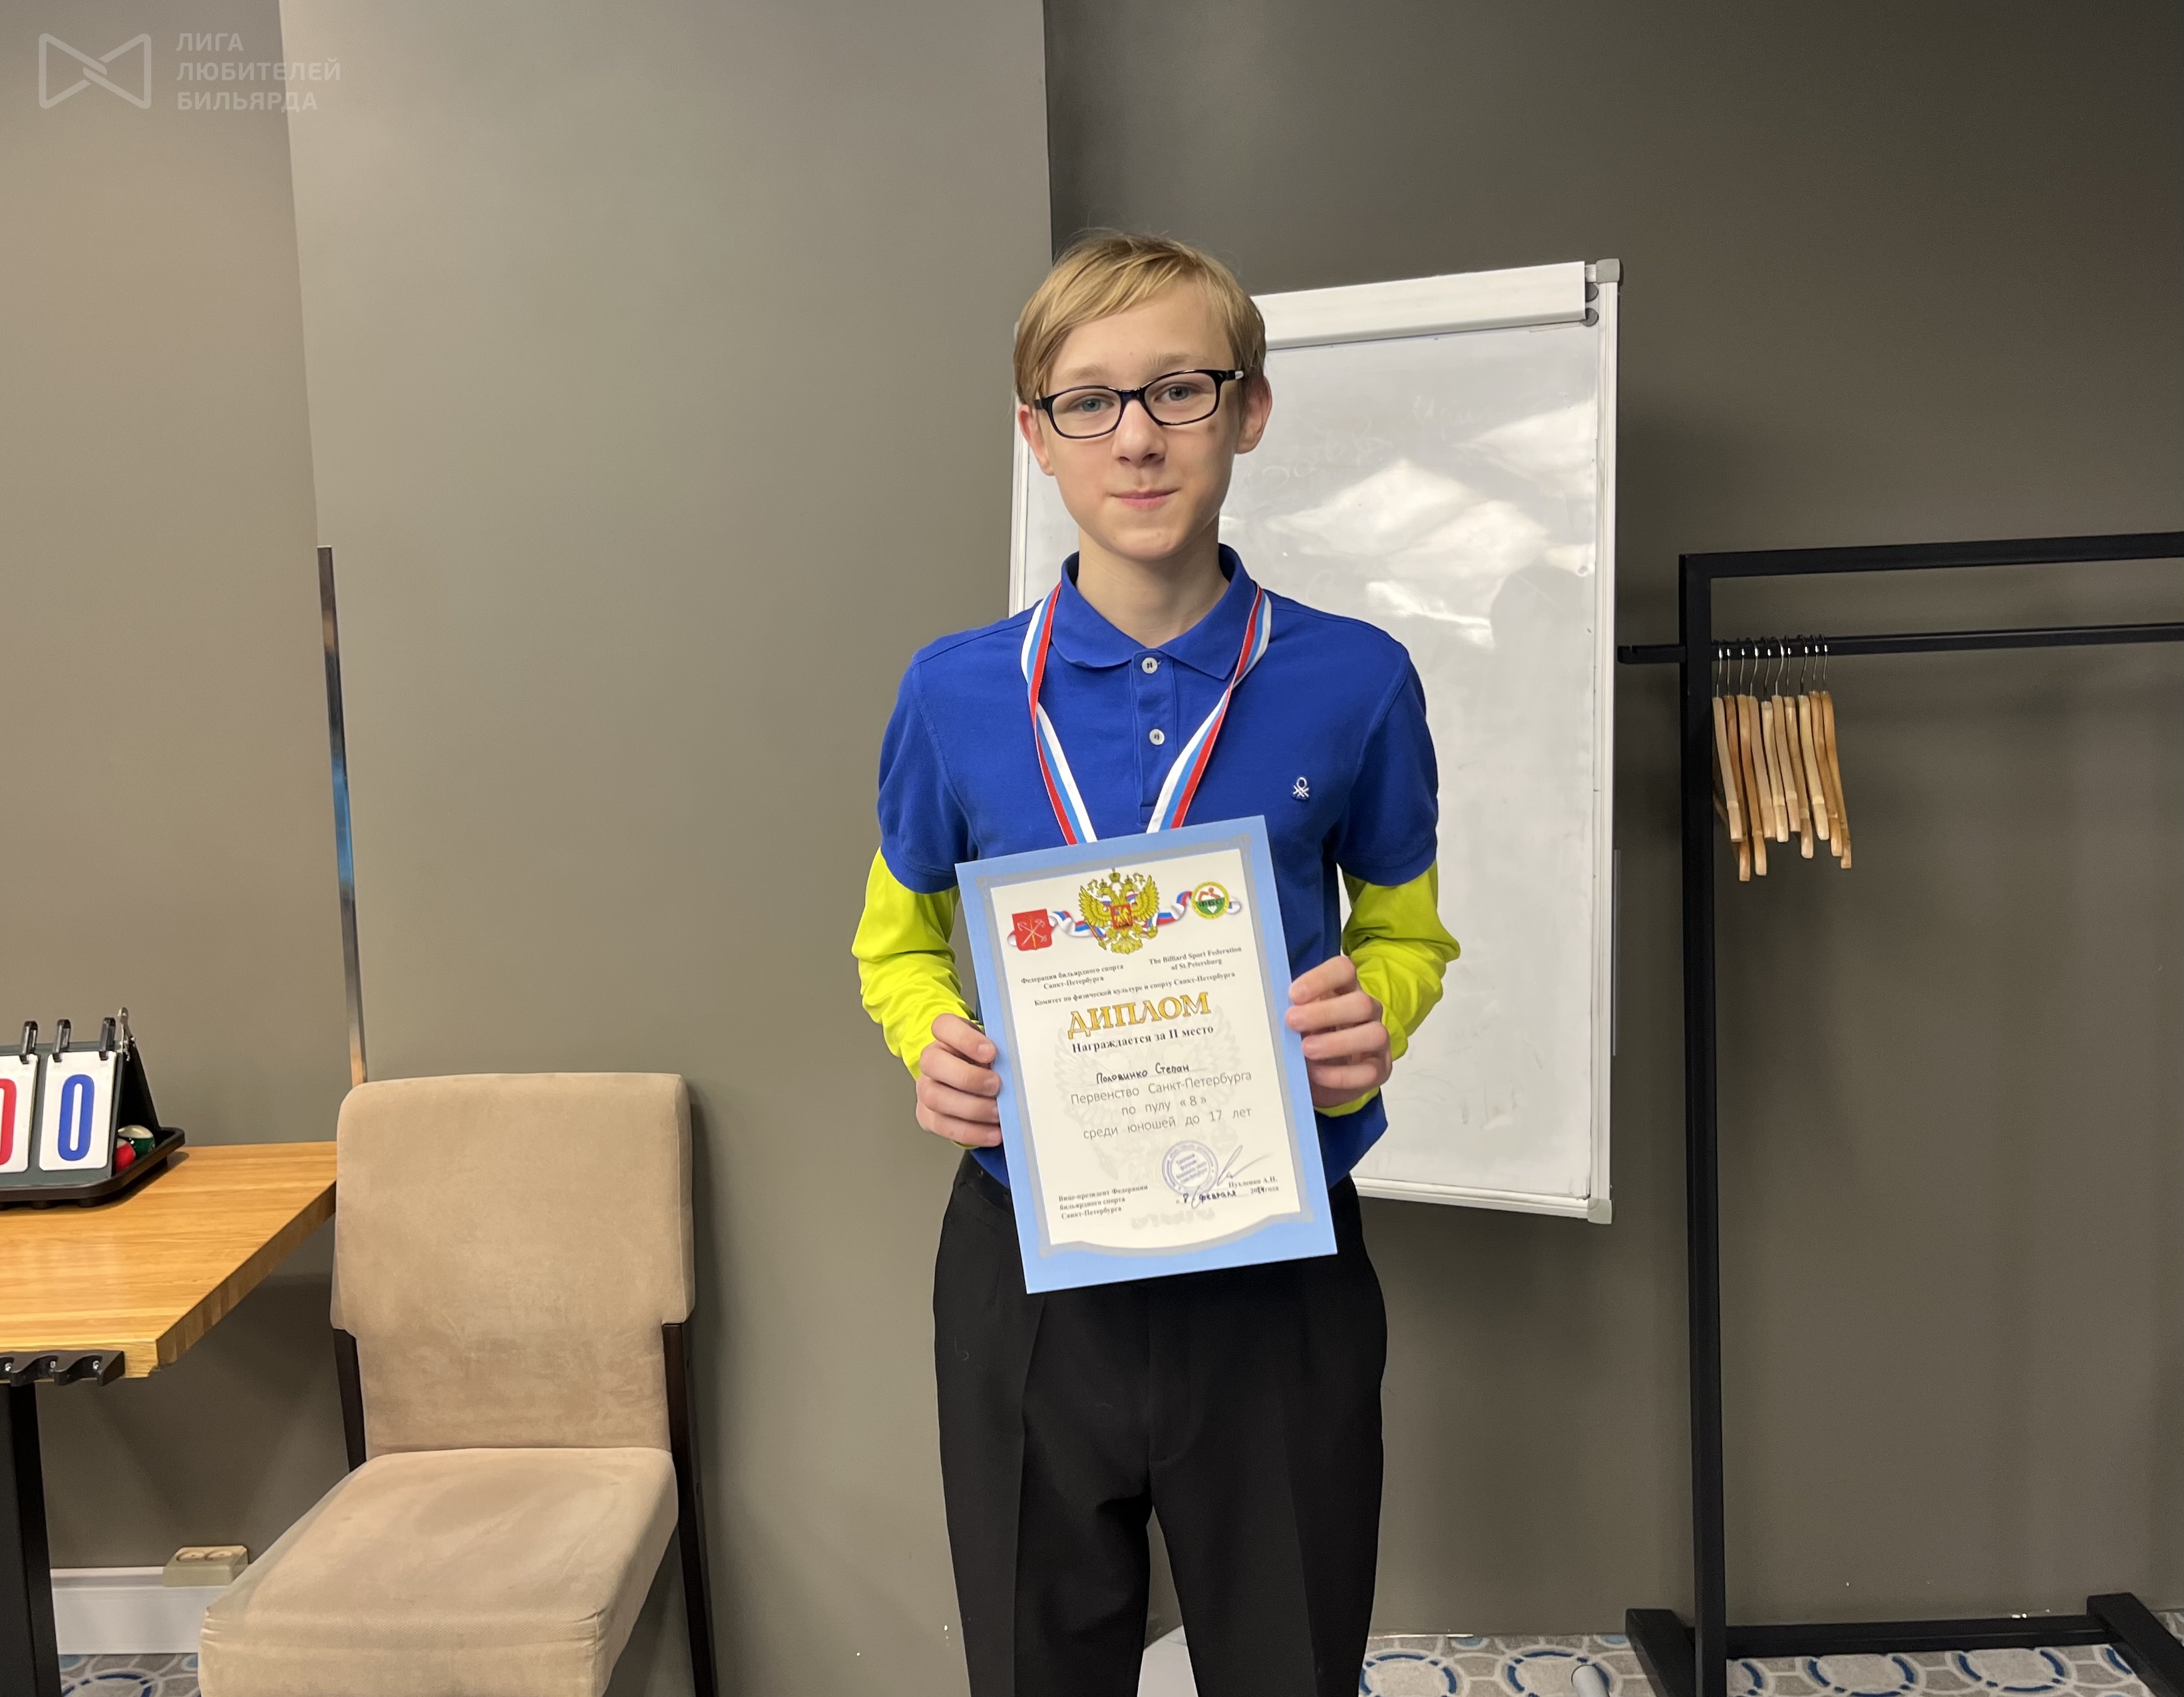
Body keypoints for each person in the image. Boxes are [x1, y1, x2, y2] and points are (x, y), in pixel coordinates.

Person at [852, 232, 1460, 1697]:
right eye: (1090, 401)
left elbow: (1406, 928)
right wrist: (931, 1037)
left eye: (1180, 389)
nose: (1136, 436)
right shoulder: (953, 693)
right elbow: (896, 938)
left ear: (1248, 410)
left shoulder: (1356, 679)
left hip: (1275, 1267)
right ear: (1037, 437)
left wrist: (1375, 1011)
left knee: (1289, 1662)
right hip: (1028, 1269)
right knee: (1036, 1667)